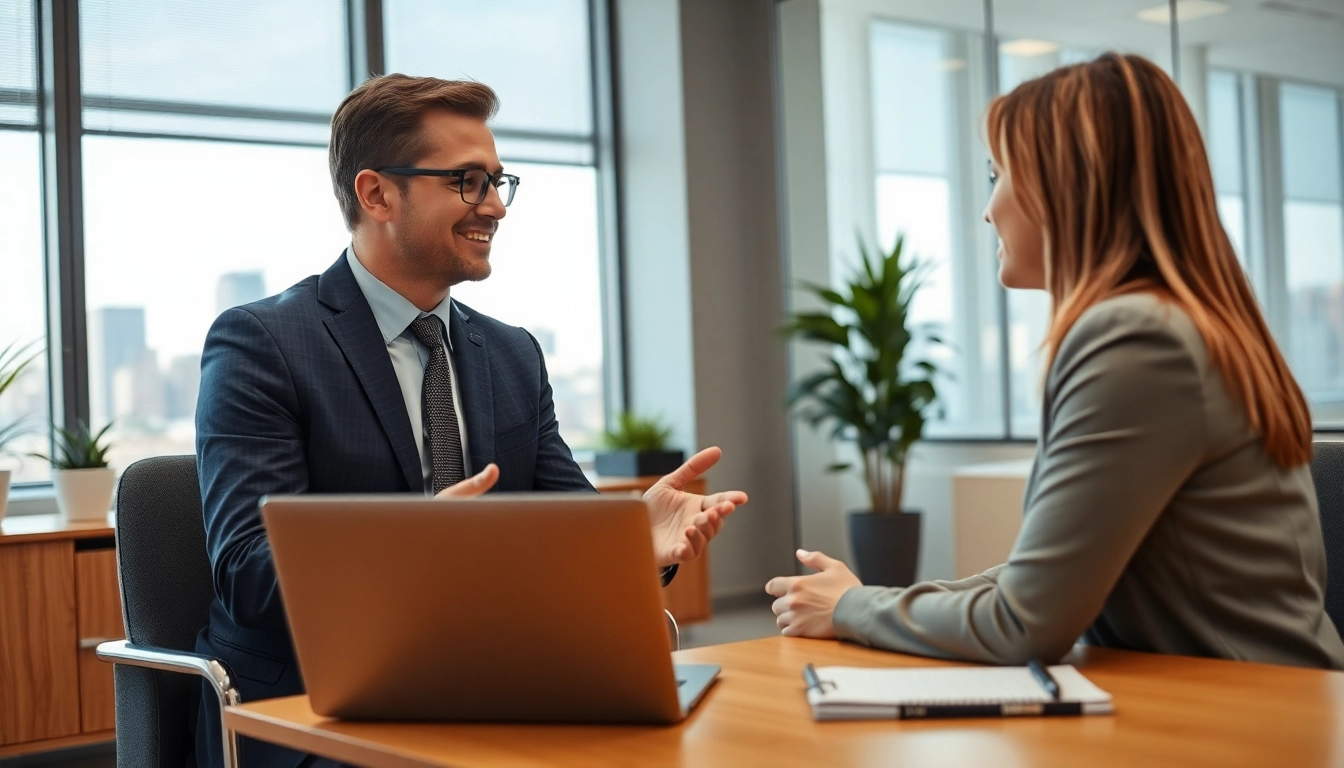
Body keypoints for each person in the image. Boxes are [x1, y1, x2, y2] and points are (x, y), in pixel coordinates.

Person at [191, 74, 748, 768]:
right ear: (376, 193)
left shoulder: (512, 354)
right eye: (466, 181)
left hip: (492, 681)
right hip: (312, 706)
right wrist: (416, 551)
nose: (494, 207)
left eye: (497, 181)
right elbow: (247, 576)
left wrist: (632, 540)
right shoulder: (263, 344)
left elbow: (562, 526)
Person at [766, 53, 1344, 671]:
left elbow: (1024, 625)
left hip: (1258, 726)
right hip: (1246, 706)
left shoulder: (1138, 339)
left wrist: (855, 608)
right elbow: (1040, 580)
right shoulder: (1176, 324)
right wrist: (868, 602)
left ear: (1065, 185)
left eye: (997, 174)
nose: (987, 209)